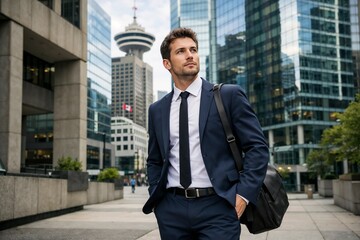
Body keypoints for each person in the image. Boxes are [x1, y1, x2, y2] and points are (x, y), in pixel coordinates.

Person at [142, 27, 269, 239]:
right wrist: (157, 199)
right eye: (181, 51)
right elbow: (155, 159)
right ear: (167, 63)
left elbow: (257, 147)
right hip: (171, 210)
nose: (190, 55)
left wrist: (243, 195)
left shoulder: (228, 96)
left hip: (219, 206)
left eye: (193, 49)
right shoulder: (157, 110)